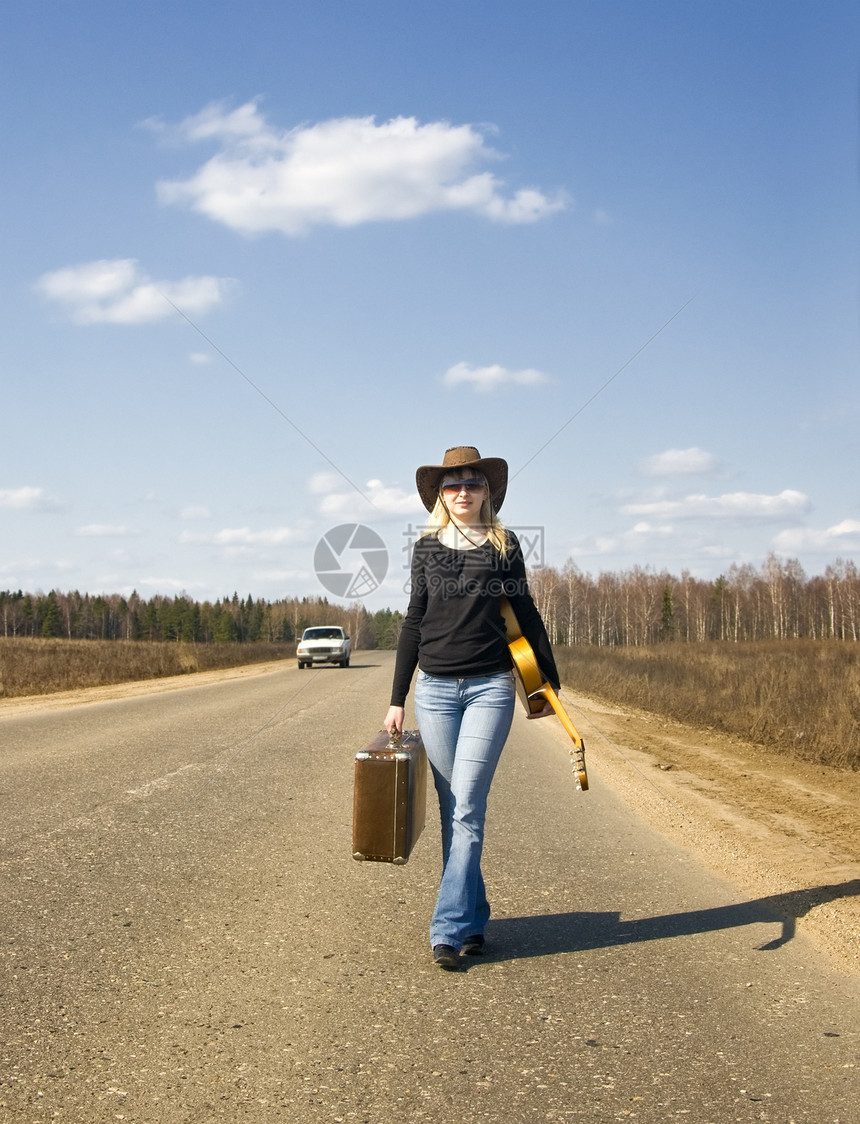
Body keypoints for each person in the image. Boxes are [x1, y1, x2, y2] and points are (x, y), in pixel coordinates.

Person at [384, 446, 561, 970]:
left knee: (468, 807)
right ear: (441, 494)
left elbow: (524, 609)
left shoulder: (505, 546)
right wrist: (397, 698)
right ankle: (475, 915)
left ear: (488, 491)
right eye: (453, 484)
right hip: (435, 691)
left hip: (489, 686)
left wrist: (547, 675)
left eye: (474, 483)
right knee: (452, 808)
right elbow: (414, 621)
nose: (464, 491)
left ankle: (448, 928)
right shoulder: (425, 550)